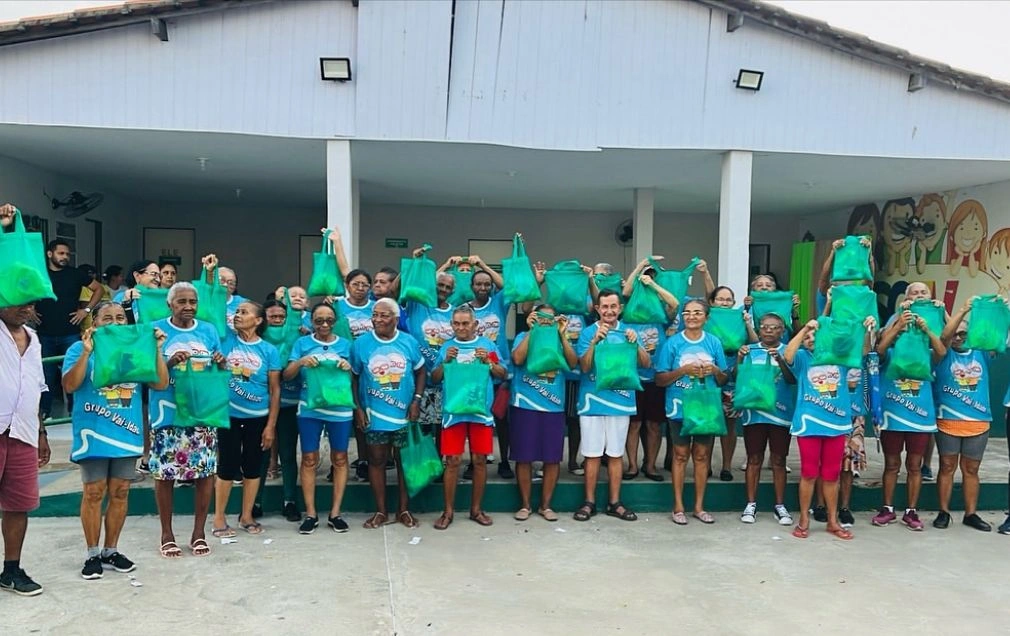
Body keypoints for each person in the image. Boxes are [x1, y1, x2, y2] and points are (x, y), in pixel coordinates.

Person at [62, 301, 169, 579]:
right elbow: (69, 386)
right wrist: (86, 354)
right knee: (94, 492)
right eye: (107, 317)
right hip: (93, 433)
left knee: (120, 492)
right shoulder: (78, 349)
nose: (115, 322)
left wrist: (155, 349)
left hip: (127, 432)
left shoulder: (136, 349)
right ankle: (92, 554)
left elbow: (160, 384)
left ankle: (111, 550)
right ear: (94, 323)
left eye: (120, 317)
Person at [148, 264, 225, 558]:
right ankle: (167, 533)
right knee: (165, 474)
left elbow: (219, 373)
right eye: (181, 301)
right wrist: (168, 362)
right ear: (170, 304)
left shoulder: (208, 331)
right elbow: (150, 377)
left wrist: (219, 362)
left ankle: (198, 533)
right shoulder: (157, 330)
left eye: (192, 301)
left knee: (204, 472)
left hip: (201, 412)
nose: (188, 306)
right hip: (167, 412)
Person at [0, 203, 52, 596]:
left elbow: (36, 387)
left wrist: (42, 433)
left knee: (18, 505)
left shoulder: (32, 341)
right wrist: (3, 231)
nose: (27, 307)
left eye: (32, 302)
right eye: (20, 300)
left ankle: (12, 568)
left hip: (22, 432)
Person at [783, 318, 874, 540]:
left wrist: (866, 329)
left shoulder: (839, 356)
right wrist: (805, 328)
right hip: (809, 425)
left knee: (832, 475)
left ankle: (833, 521)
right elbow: (787, 355)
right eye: (807, 339)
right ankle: (804, 519)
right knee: (809, 473)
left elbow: (863, 351)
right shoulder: (803, 358)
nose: (811, 340)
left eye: (815, 336)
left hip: (837, 424)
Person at [572, 290, 649, 523]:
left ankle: (615, 503)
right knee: (592, 454)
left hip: (621, 402)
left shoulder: (630, 332)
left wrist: (637, 345)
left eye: (613, 306)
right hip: (592, 403)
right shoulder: (587, 333)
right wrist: (595, 340)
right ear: (597, 308)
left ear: (620, 308)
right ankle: (589, 502)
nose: (609, 311)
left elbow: (646, 364)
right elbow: (583, 368)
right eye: (604, 307)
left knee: (616, 455)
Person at [351, 298, 426, 528]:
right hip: (375, 415)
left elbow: (421, 371)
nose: (378, 319)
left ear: (395, 318)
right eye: (375, 315)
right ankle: (381, 511)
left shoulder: (409, 342)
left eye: (384, 315)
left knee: (404, 462)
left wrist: (417, 401)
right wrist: (358, 408)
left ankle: (403, 510)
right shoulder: (361, 344)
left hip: (404, 414)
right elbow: (353, 377)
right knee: (376, 460)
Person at [430, 304, 507, 529]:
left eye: (466, 323)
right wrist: (445, 362)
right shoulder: (446, 347)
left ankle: (476, 510)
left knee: (480, 460)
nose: (461, 327)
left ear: (475, 324)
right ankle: (448, 511)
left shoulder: (487, 345)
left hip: (480, 412)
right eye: (457, 323)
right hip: (453, 412)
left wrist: (489, 362)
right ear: (451, 324)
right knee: (452, 461)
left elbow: (502, 374)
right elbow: (434, 378)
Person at [655, 298, 728, 525]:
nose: (692, 316)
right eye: (687, 313)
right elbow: (660, 379)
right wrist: (683, 370)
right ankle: (678, 507)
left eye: (697, 313)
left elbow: (724, 378)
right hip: (679, 407)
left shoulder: (714, 343)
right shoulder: (672, 343)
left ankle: (699, 507)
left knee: (701, 456)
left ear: (706, 317)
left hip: (706, 409)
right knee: (679, 455)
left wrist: (714, 369)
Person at [284, 303, 354, 534]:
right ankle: (311, 513)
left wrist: (348, 367)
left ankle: (335, 513)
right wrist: (301, 362)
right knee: (309, 458)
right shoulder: (302, 344)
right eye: (319, 320)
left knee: (340, 458)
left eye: (329, 320)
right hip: (310, 408)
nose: (324, 325)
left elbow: (356, 375)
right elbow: (287, 375)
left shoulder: (345, 344)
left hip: (340, 409)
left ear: (335, 321)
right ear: (311, 322)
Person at [872, 309, 945, 531]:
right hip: (892, 417)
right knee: (891, 464)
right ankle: (888, 508)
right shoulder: (889, 354)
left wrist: (927, 330)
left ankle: (911, 512)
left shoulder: (925, 353)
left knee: (915, 466)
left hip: (920, 419)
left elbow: (941, 352)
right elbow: (879, 349)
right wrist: (896, 326)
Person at [212, 301, 280, 537]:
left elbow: (275, 390)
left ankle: (246, 516)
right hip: (228, 416)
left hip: (258, 418)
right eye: (237, 312)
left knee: (253, 468)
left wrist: (270, 426)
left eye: (244, 312)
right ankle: (219, 518)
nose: (238, 315)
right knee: (226, 467)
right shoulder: (226, 341)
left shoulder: (269, 350)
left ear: (259, 320)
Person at [510, 305, 576, 521]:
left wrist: (562, 334)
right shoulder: (523, 335)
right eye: (541, 317)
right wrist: (531, 330)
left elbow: (573, 363)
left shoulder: (559, 336)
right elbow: (518, 359)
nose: (546, 321)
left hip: (553, 405)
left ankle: (546, 505)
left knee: (552, 459)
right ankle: (525, 505)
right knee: (523, 457)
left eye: (550, 318)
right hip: (525, 403)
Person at [934, 299, 993, 531]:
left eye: (963, 334)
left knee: (971, 470)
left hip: (978, 421)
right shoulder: (941, 353)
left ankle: (971, 514)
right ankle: (943, 512)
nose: (958, 337)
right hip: (948, 420)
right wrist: (961, 311)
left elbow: (994, 332)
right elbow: (946, 335)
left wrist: (1000, 310)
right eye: (954, 334)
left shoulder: (982, 353)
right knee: (947, 466)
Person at [620, 260, 681, 483]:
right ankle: (633, 465)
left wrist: (654, 285)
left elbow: (675, 304)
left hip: (656, 375)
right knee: (634, 423)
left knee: (654, 424)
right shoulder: (629, 304)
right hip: (631, 375)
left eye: (653, 276)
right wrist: (639, 267)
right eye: (646, 276)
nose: (648, 279)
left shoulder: (660, 306)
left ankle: (651, 465)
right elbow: (625, 292)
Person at [736, 313, 796, 525]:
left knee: (779, 460)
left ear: (782, 330)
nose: (768, 330)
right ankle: (750, 503)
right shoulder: (750, 350)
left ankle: (780, 505)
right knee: (754, 458)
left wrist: (780, 360)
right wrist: (740, 359)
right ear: (758, 329)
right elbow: (737, 377)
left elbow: (792, 380)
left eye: (774, 327)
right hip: (755, 414)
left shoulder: (789, 350)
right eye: (764, 327)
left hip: (780, 415)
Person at [35, 238, 105, 419]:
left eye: (67, 254)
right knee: (46, 376)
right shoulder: (39, 273)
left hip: (70, 333)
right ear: (50, 254)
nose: (65, 257)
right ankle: (45, 412)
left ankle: (76, 412)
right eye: (61, 253)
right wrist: (29, 310)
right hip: (45, 333)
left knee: (75, 373)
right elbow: (22, 290)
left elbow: (99, 289)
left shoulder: (75, 274)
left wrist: (86, 310)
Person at [467, 255, 514, 480]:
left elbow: (507, 286)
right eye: (478, 283)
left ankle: (504, 460)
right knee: (475, 418)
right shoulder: (464, 309)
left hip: (499, 370)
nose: (483, 287)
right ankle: (476, 460)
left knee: (501, 419)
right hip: (474, 373)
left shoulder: (499, 302)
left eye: (487, 283)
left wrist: (483, 265)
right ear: (471, 286)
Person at [259, 299, 302, 521]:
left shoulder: (296, 338)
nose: (277, 321)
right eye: (272, 317)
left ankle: (290, 502)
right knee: (261, 456)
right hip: (260, 406)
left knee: (287, 454)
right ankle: (255, 503)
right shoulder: (257, 341)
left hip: (289, 404)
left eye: (281, 317)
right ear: (263, 320)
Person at [77, 264, 112, 332]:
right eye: (90, 273)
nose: (92, 275)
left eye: (93, 273)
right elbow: (84, 306)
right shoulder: (84, 288)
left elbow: (110, 304)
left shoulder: (104, 287)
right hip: (89, 325)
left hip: (105, 322)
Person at [217, 267, 247, 331]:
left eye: (231, 282)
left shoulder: (245, 304)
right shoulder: (202, 302)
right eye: (222, 280)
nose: (225, 285)